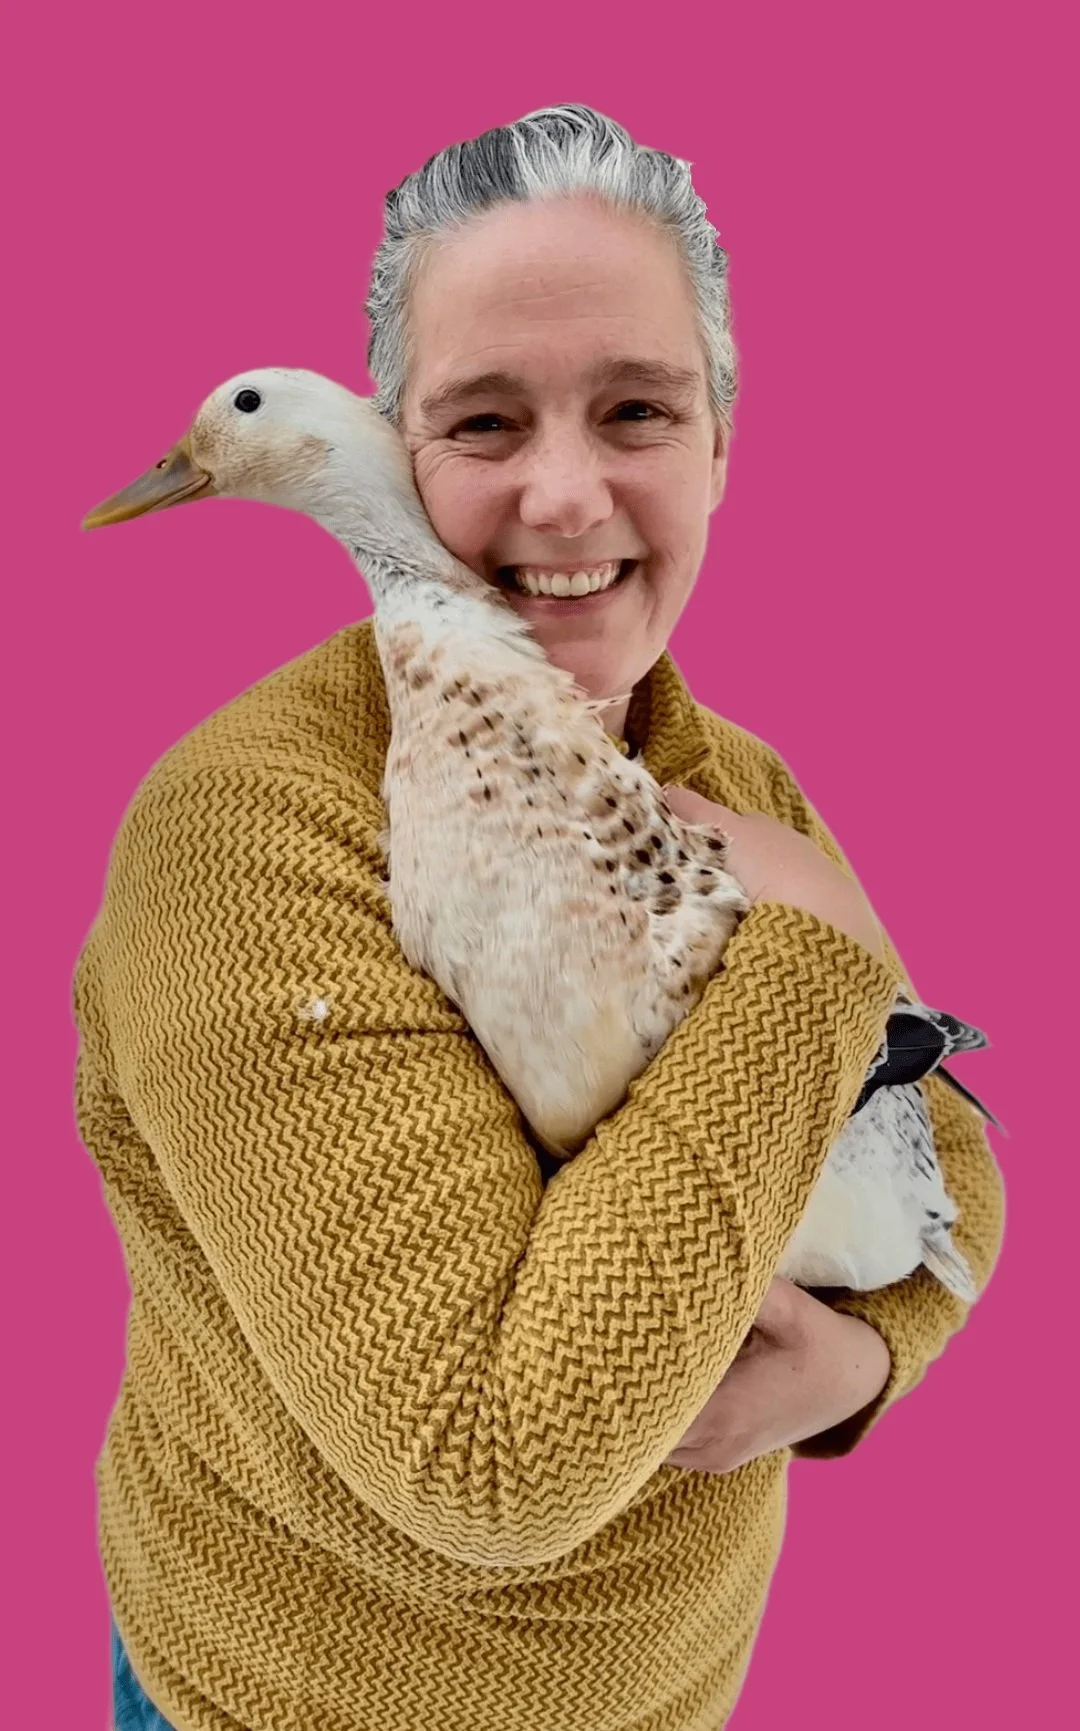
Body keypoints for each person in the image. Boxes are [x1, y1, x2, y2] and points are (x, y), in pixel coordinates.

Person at [80, 104, 1004, 1731]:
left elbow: (945, 1164)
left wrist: (862, 1366)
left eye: (638, 408)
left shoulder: (716, 769)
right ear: (400, 447)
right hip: (300, 1704)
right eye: (487, 421)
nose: (568, 497)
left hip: (673, 1694)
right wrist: (812, 958)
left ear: (722, 440)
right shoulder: (247, 841)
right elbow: (493, 1459)